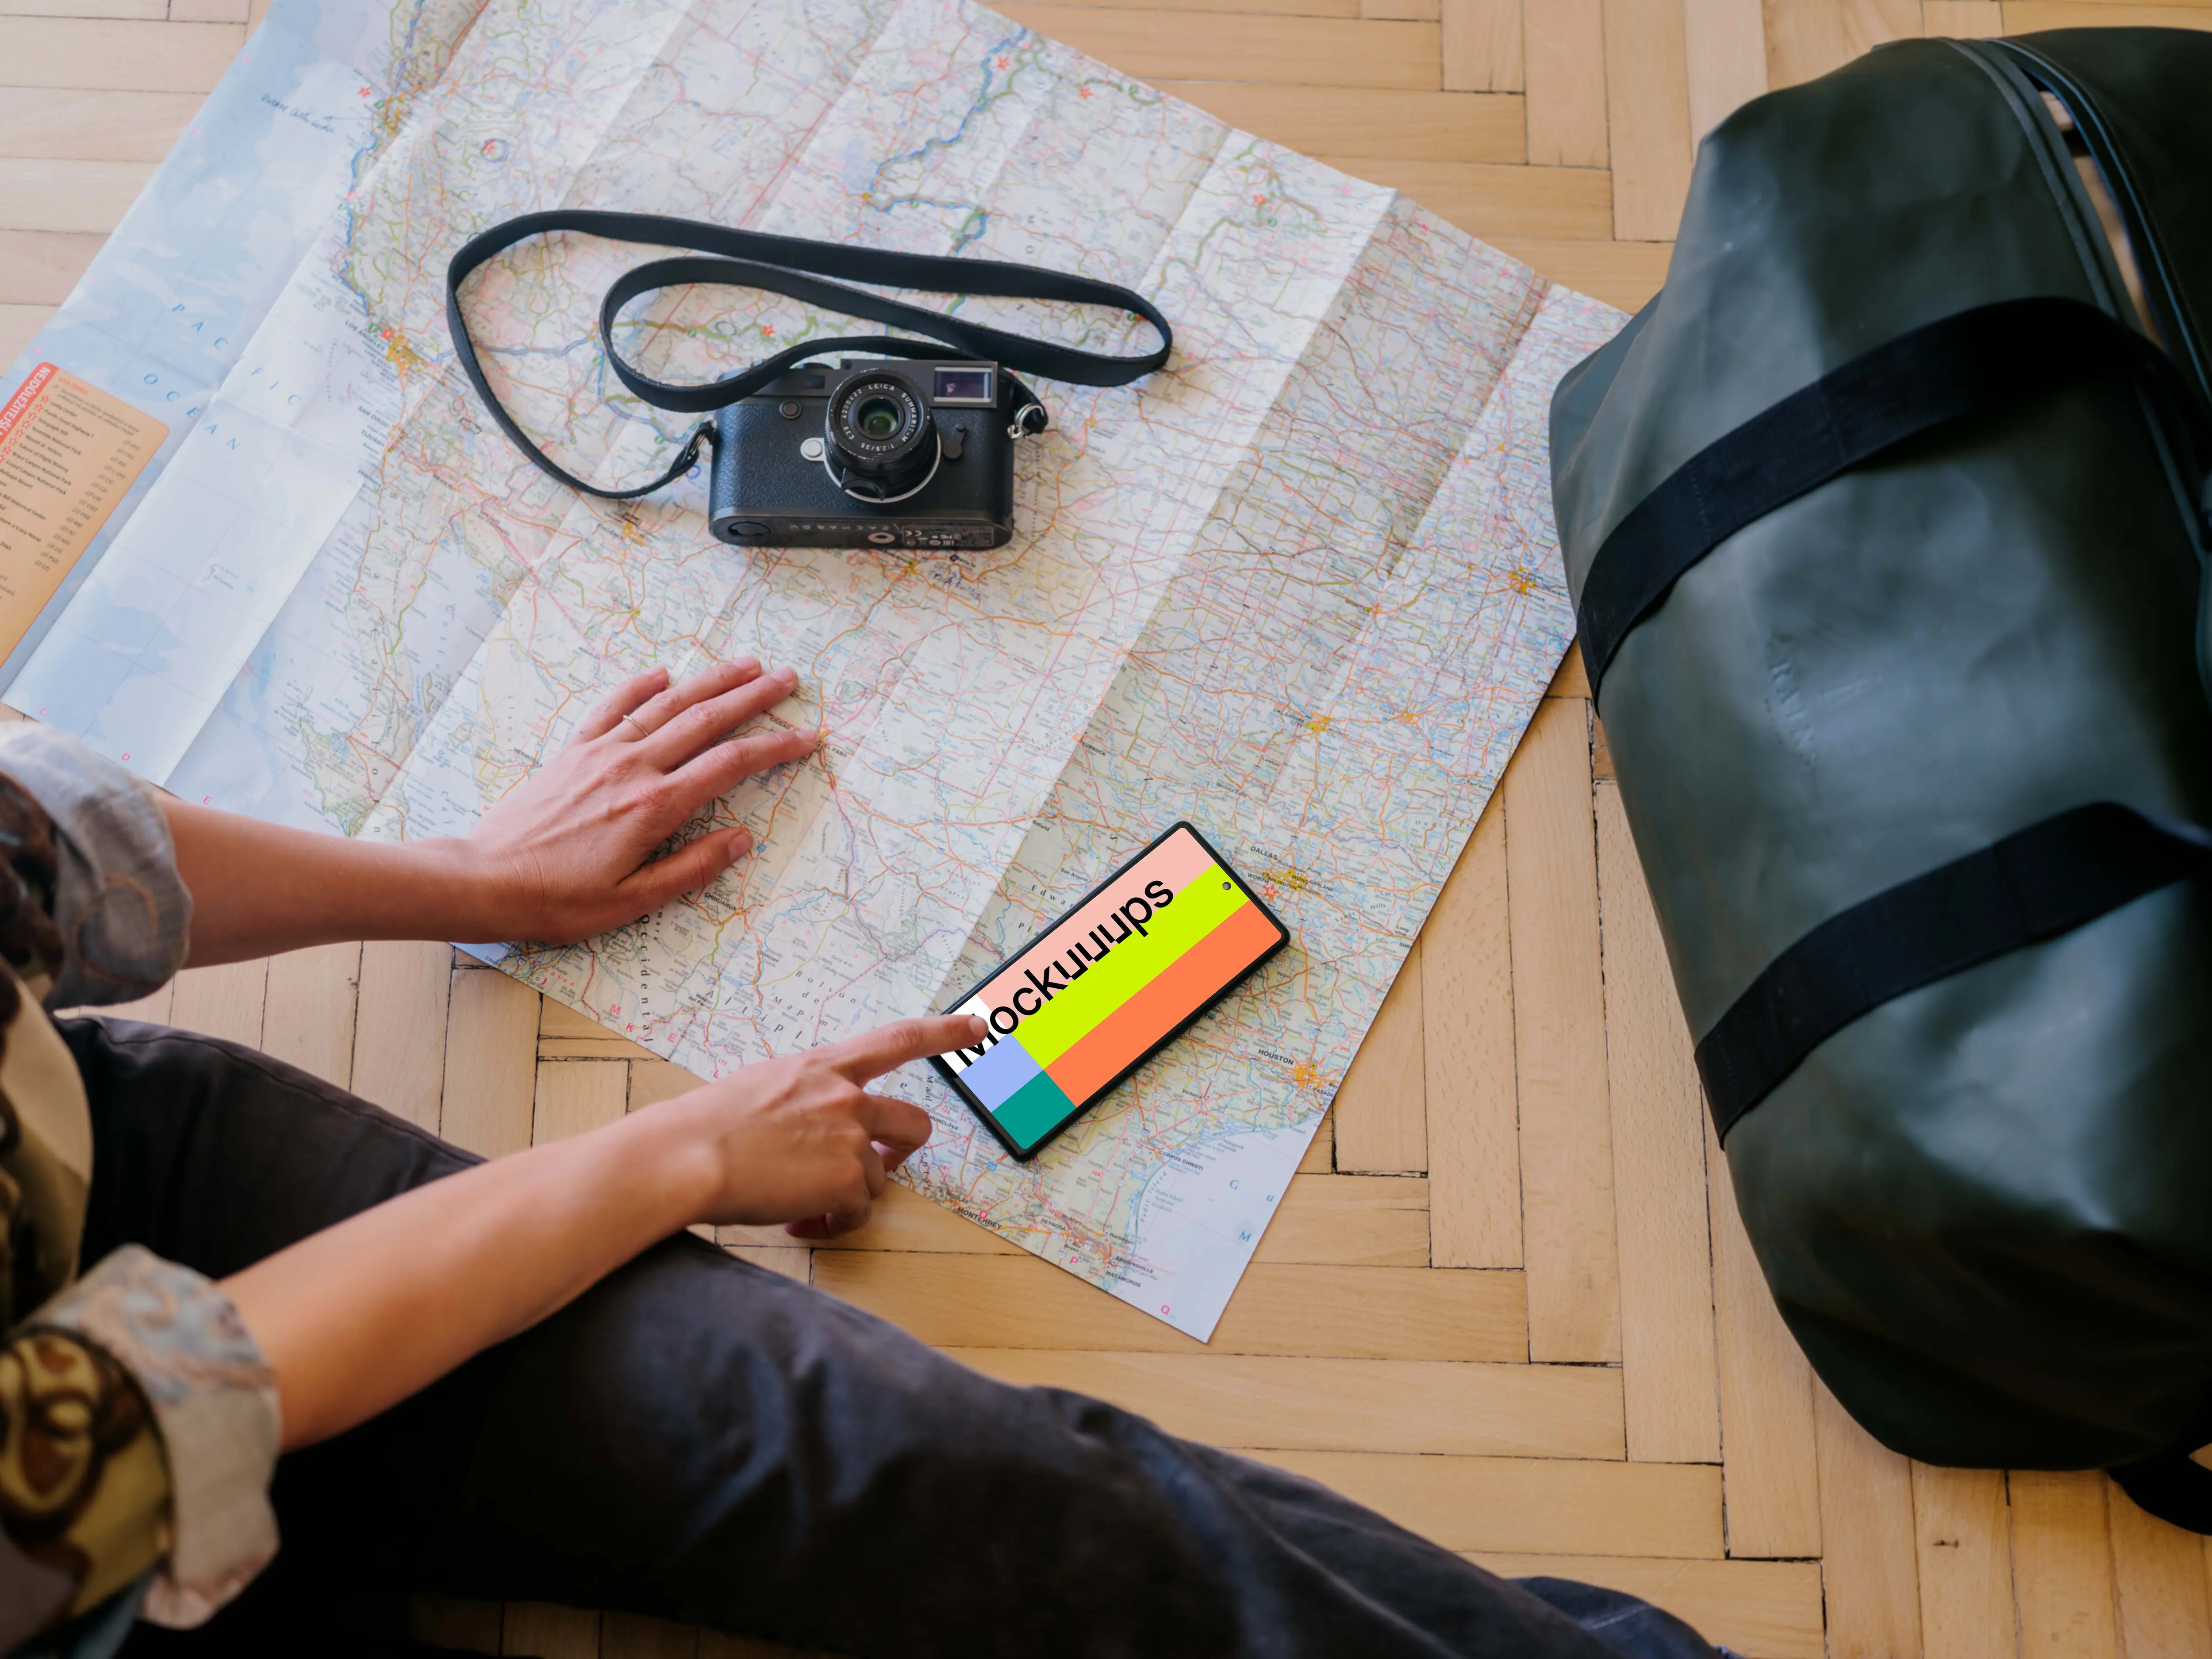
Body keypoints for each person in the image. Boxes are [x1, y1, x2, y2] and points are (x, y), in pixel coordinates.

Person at [0, 659, 1727, 1659]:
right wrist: (675, 1152)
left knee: (954, 1464)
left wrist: (479, 875)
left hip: (117, 1183)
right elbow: (104, 1435)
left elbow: (37, 845)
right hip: (57, 1538)